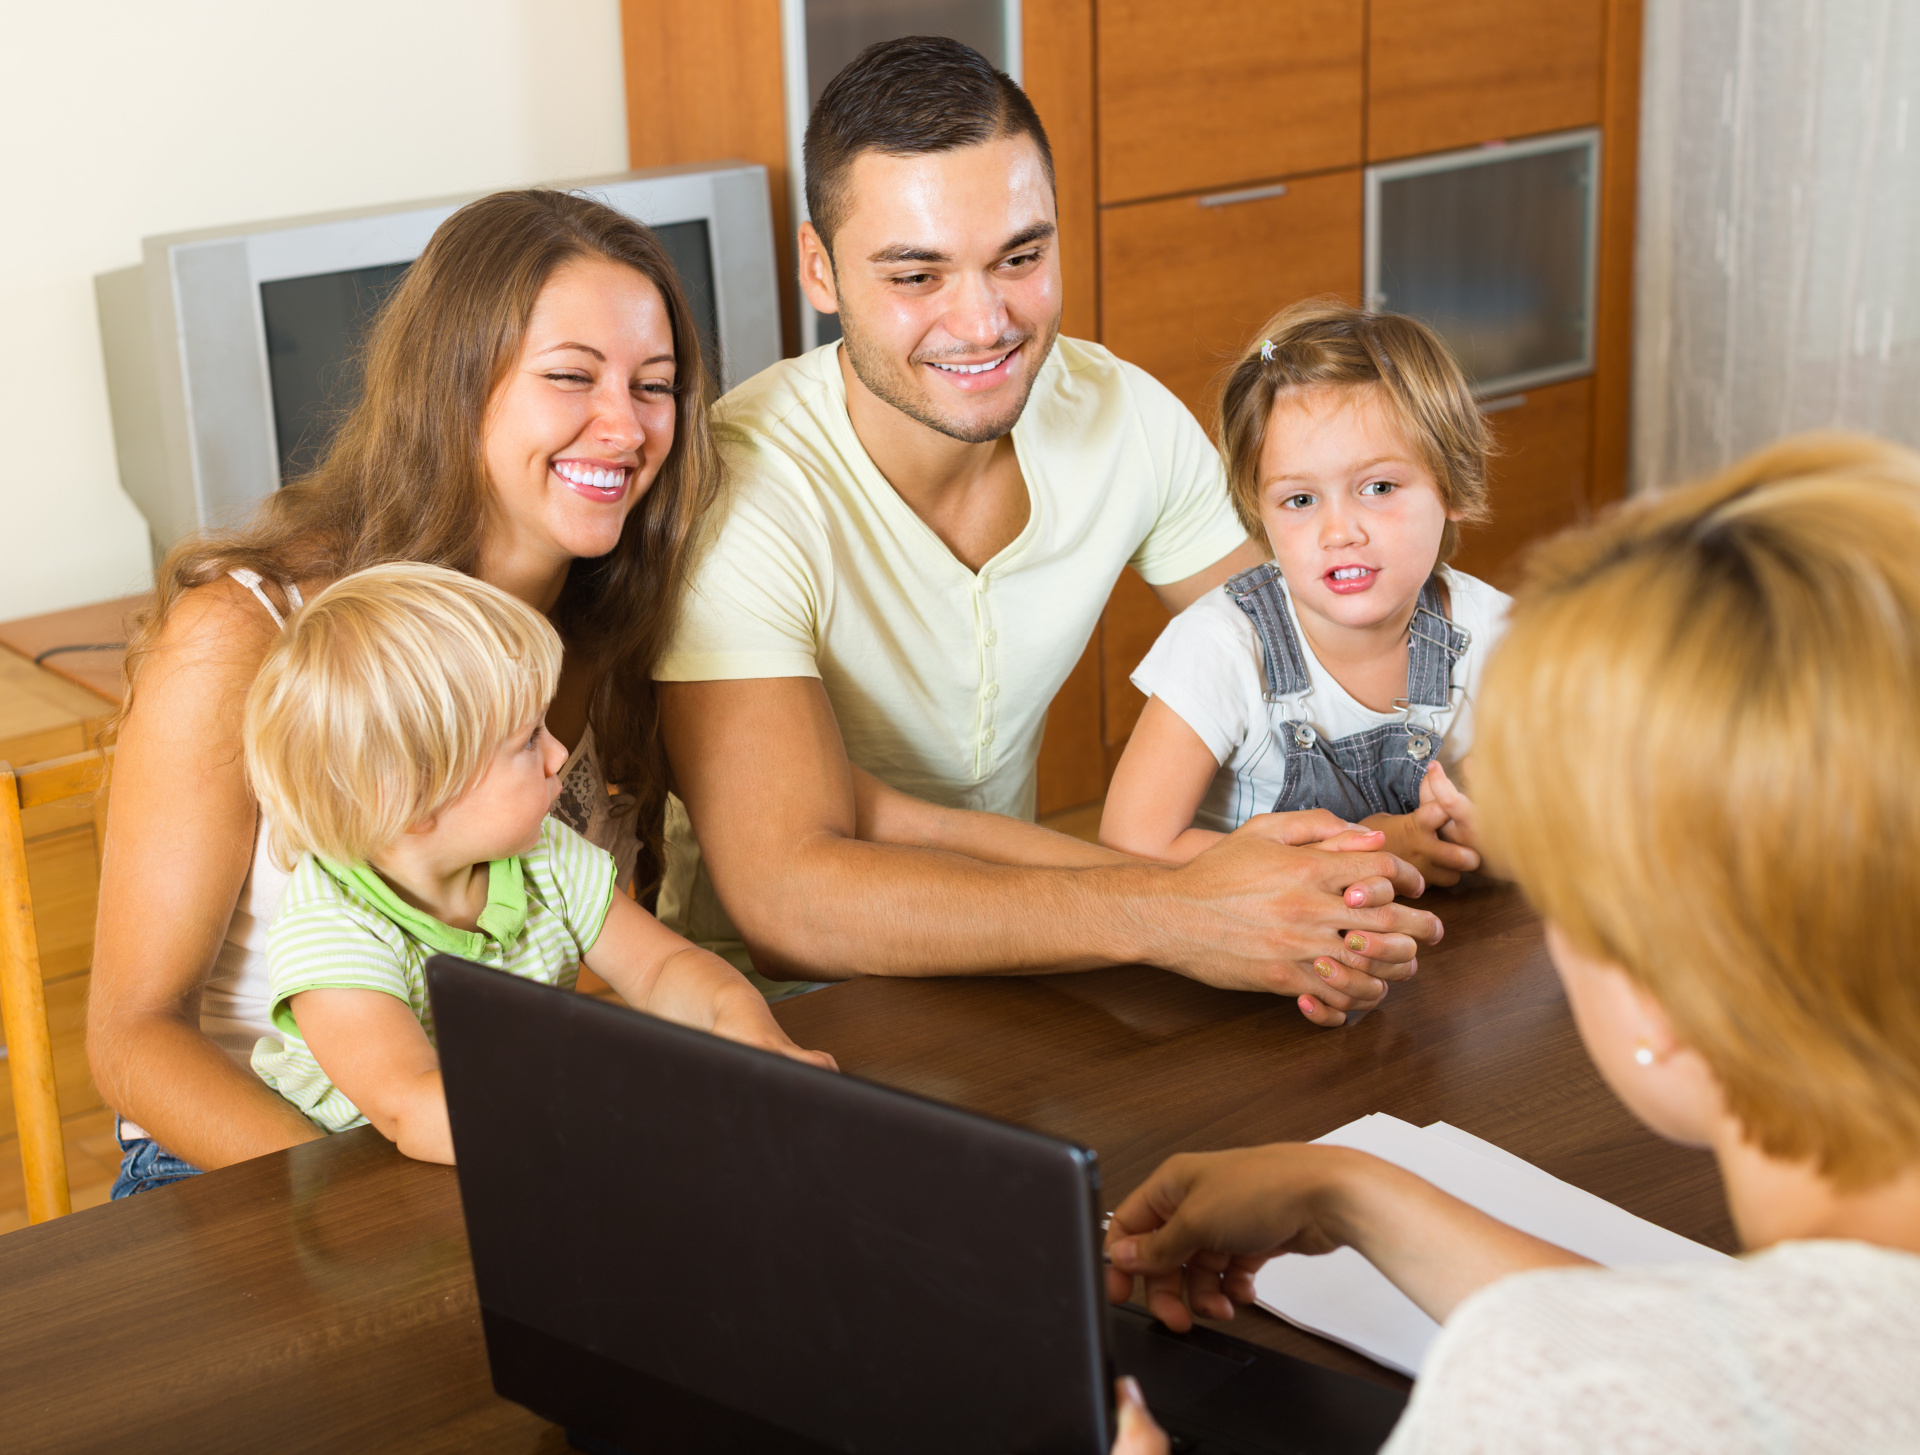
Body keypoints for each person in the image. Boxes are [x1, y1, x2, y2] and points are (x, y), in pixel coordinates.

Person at [1101, 434, 1920, 1453]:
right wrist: (1350, 1192)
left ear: (1659, 998)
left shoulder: (1532, 1396)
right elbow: (1740, 1359)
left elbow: (1636, 1388)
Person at [655, 37, 1441, 1021]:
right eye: (917, 277)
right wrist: (1174, 910)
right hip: (784, 1007)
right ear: (820, 270)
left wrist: (1404, 816)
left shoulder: (1123, 415)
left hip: (1037, 960)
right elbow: (789, 900)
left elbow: (1307, 666)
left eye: (1019, 258)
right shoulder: (743, 489)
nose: (983, 322)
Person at [89, 188, 720, 1190]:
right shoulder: (243, 633)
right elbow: (132, 1039)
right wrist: (378, 1196)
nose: (628, 426)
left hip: (478, 1136)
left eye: (656, 384)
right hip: (251, 1167)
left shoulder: (617, 628)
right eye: (571, 377)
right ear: (455, 388)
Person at [242, 564, 832, 1162]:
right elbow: (414, 1108)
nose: (558, 753)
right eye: (527, 741)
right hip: (356, 1186)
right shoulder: (330, 928)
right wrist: (632, 1110)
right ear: (411, 800)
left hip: (508, 1149)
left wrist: (740, 1028)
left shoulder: (543, 852)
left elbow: (662, 969)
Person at [1100, 303, 1505, 893]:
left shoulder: (1496, 630)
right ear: (1257, 513)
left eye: (1379, 487)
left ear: (1453, 484)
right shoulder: (1222, 646)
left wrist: (1493, 840)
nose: (1339, 532)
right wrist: (1365, 851)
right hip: (1241, 957)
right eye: (1300, 500)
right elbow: (1131, 844)